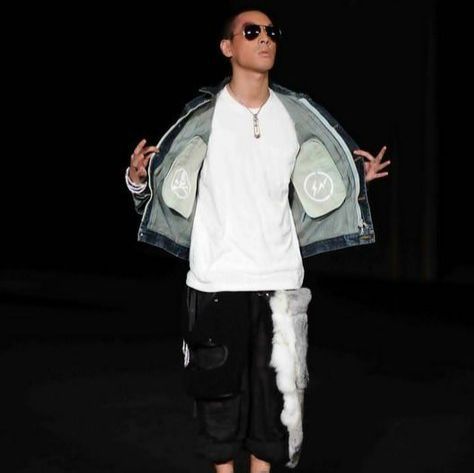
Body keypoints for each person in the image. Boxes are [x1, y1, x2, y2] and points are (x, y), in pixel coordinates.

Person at [125, 7, 390, 473]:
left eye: (271, 31)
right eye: (252, 31)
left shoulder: (295, 115)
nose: (265, 38)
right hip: (215, 282)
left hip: (280, 283)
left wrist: (353, 180)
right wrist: (137, 179)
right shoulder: (203, 118)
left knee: (274, 411)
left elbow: (317, 187)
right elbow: (163, 195)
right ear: (227, 47)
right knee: (217, 406)